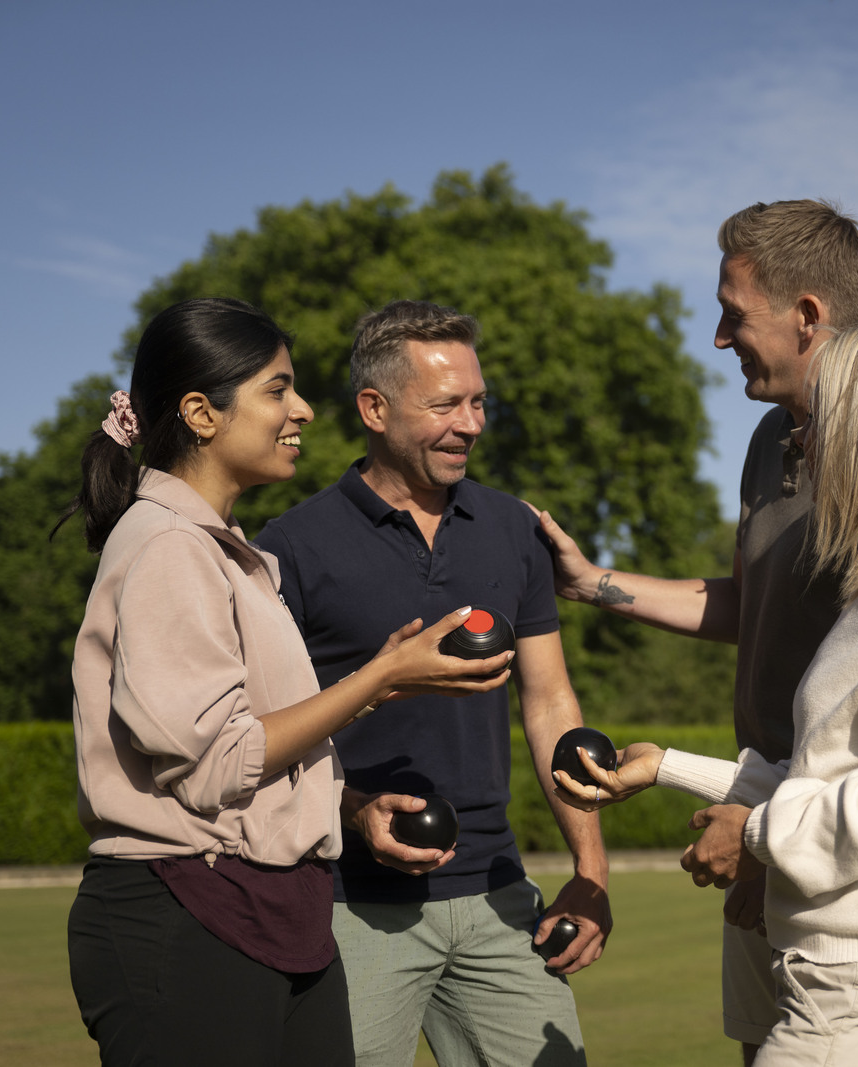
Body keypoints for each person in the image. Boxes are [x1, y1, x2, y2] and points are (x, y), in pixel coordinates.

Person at [555, 323, 858, 1066]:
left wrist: (754, 836)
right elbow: (831, 776)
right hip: (840, 983)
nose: (802, 443)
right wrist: (667, 765)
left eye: (820, 421)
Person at [63, 297, 510, 1066]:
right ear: (201, 413)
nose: (302, 408)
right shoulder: (168, 544)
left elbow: (267, 742)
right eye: (277, 390)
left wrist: (383, 694)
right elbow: (217, 767)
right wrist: (375, 678)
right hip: (185, 910)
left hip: (272, 907)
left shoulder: (233, 553)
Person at [532, 198, 858, 1061]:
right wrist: (593, 585)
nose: (719, 340)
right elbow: (750, 605)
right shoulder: (770, 439)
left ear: (807, 317)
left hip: (829, 841)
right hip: (754, 803)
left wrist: (768, 844)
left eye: (734, 316)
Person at [256, 299, 609, 1067]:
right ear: (374, 409)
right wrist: (350, 808)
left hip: (500, 896)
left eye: (479, 401)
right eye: (446, 403)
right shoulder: (288, 548)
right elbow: (260, 734)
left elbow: (549, 702)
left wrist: (590, 869)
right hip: (349, 906)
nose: (471, 423)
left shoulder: (514, 529)